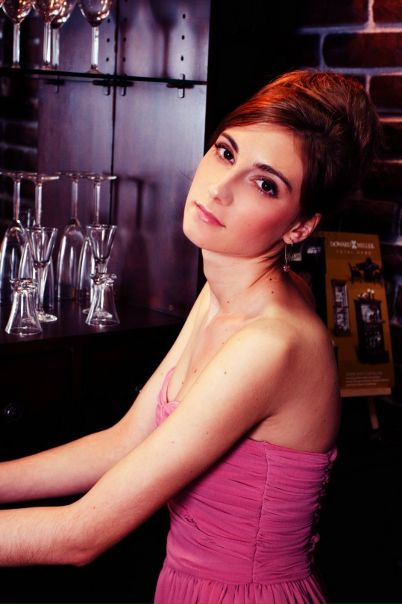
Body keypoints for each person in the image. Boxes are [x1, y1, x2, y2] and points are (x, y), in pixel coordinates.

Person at [0, 69, 381, 604]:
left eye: (264, 184)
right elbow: (125, 441)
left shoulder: (272, 344)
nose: (219, 189)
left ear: (300, 227)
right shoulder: (227, 290)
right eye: (226, 153)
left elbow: (79, 535)